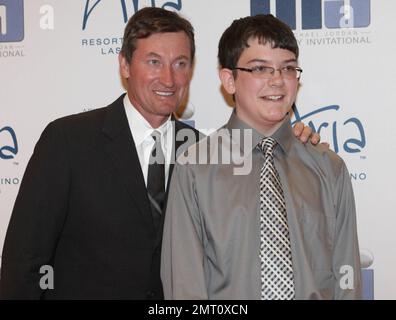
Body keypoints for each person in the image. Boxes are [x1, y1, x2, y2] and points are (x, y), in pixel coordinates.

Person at [0, 8, 318, 299]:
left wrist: (296, 142)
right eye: (154, 62)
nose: (168, 79)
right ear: (125, 64)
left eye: (180, 64)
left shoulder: (205, 151)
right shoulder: (68, 141)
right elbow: (23, 263)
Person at [161, 14, 361, 300]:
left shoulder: (329, 167)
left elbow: (346, 277)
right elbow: (184, 285)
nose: (277, 81)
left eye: (288, 68)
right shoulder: (195, 169)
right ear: (229, 79)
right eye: (260, 69)